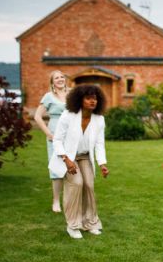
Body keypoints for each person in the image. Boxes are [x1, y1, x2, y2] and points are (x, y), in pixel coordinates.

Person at [48, 84, 109, 239]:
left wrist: (102, 164)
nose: (92, 101)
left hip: (85, 157)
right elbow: (57, 140)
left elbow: (99, 144)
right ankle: (73, 226)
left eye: (94, 98)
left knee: (89, 185)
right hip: (67, 157)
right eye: (88, 98)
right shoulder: (68, 115)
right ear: (79, 100)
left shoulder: (99, 119)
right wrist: (66, 159)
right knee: (76, 184)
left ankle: (90, 223)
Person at [34, 70, 69, 213]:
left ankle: (69, 199)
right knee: (56, 167)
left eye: (62, 76)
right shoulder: (48, 97)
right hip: (55, 134)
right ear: (52, 82)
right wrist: (48, 133)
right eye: (56, 78)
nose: (60, 79)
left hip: (70, 134)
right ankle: (55, 201)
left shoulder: (72, 94)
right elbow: (37, 116)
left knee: (71, 165)